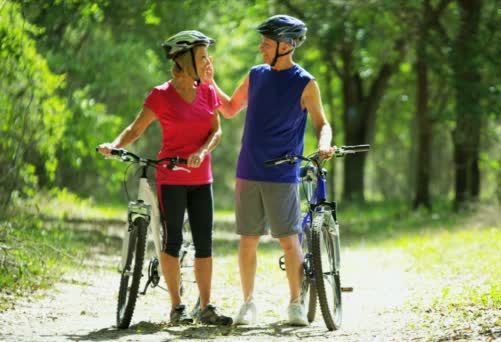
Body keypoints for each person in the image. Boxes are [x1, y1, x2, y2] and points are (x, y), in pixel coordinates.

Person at [97, 30, 232, 326]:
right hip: (171, 179)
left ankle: (206, 306)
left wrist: (202, 150)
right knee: (172, 242)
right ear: (184, 61)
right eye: (202, 57)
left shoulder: (208, 92)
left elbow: (217, 131)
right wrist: (115, 145)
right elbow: (135, 129)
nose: (208, 62)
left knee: (204, 243)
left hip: (202, 179)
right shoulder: (161, 95)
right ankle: (177, 307)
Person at [208, 15, 334, 326]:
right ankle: (248, 303)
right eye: (262, 43)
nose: (261, 48)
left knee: (289, 240)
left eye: (267, 43)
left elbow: (323, 124)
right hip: (248, 169)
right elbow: (229, 108)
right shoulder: (256, 75)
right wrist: (209, 80)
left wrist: (325, 144)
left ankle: (295, 304)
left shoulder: (306, 83)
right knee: (248, 239)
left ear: (287, 46)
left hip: (282, 173)